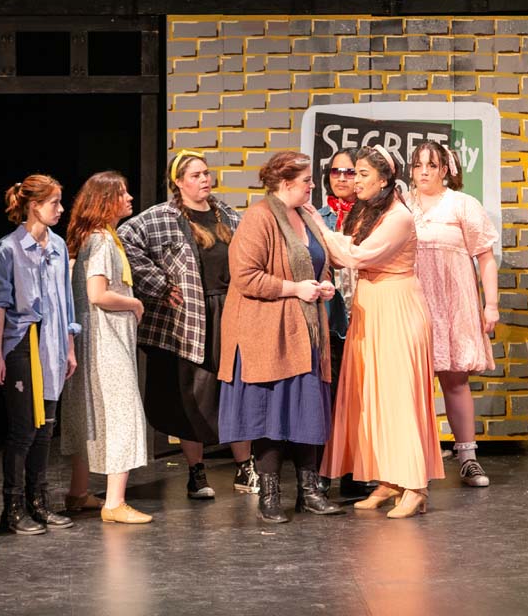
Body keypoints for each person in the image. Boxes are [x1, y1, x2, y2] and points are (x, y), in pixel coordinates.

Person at [311, 145, 444, 519]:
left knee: (398, 397)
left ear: (384, 180)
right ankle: (389, 480)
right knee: (373, 395)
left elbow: (355, 256)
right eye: (354, 173)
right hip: (371, 308)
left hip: (397, 307)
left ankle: (414, 486)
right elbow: (343, 254)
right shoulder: (369, 210)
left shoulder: (398, 216)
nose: (355, 180)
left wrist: (315, 221)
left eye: (363, 174)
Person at [119, 150, 257, 499]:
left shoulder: (228, 215)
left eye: (206, 173)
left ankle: (245, 467)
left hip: (228, 312)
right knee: (190, 395)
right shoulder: (159, 218)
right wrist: (159, 284)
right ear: (178, 182)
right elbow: (125, 241)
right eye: (195, 175)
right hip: (188, 319)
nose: (204, 180)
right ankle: (196, 472)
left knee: (234, 389)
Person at [218, 151, 343, 523]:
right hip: (267, 330)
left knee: (307, 410)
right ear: (286, 183)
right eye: (306, 180)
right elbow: (245, 276)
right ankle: (270, 495)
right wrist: (294, 289)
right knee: (269, 414)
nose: (311, 185)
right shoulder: (259, 217)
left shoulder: (306, 216)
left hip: (305, 329)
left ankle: (309, 491)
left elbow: (317, 263)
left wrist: (323, 285)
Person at [0, 174, 79, 535]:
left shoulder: (57, 246)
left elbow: (66, 302)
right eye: (54, 202)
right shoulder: (8, 249)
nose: (61, 209)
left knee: (46, 429)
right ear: (34, 206)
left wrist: (69, 347)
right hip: (23, 343)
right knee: (24, 429)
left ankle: (40, 503)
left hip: (53, 343)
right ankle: (13, 508)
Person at [405, 142, 500, 487]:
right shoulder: (402, 205)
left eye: (431, 165)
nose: (424, 172)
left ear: (444, 170)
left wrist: (491, 304)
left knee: (455, 380)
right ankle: (413, 461)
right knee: (413, 383)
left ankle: (467, 459)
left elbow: (485, 257)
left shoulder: (462, 204)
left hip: (453, 302)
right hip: (413, 302)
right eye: (418, 165)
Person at [61, 171, 152, 524]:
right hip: (105, 342)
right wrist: (135, 303)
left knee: (89, 415)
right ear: (105, 201)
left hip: (92, 340)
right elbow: (98, 294)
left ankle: (77, 492)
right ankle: (114, 503)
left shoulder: (92, 237)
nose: (129, 198)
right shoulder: (101, 241)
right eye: (122, 193)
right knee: (121, 414)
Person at [316, 150, 371, 499]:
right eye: (335, 171)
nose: (342, 177)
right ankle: (324, 471)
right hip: (333, 320)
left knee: (362, 400)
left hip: (366, 317)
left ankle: (356, 471)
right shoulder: (318, 218)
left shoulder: (373, 216)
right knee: (331, 397)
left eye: (349, 172)